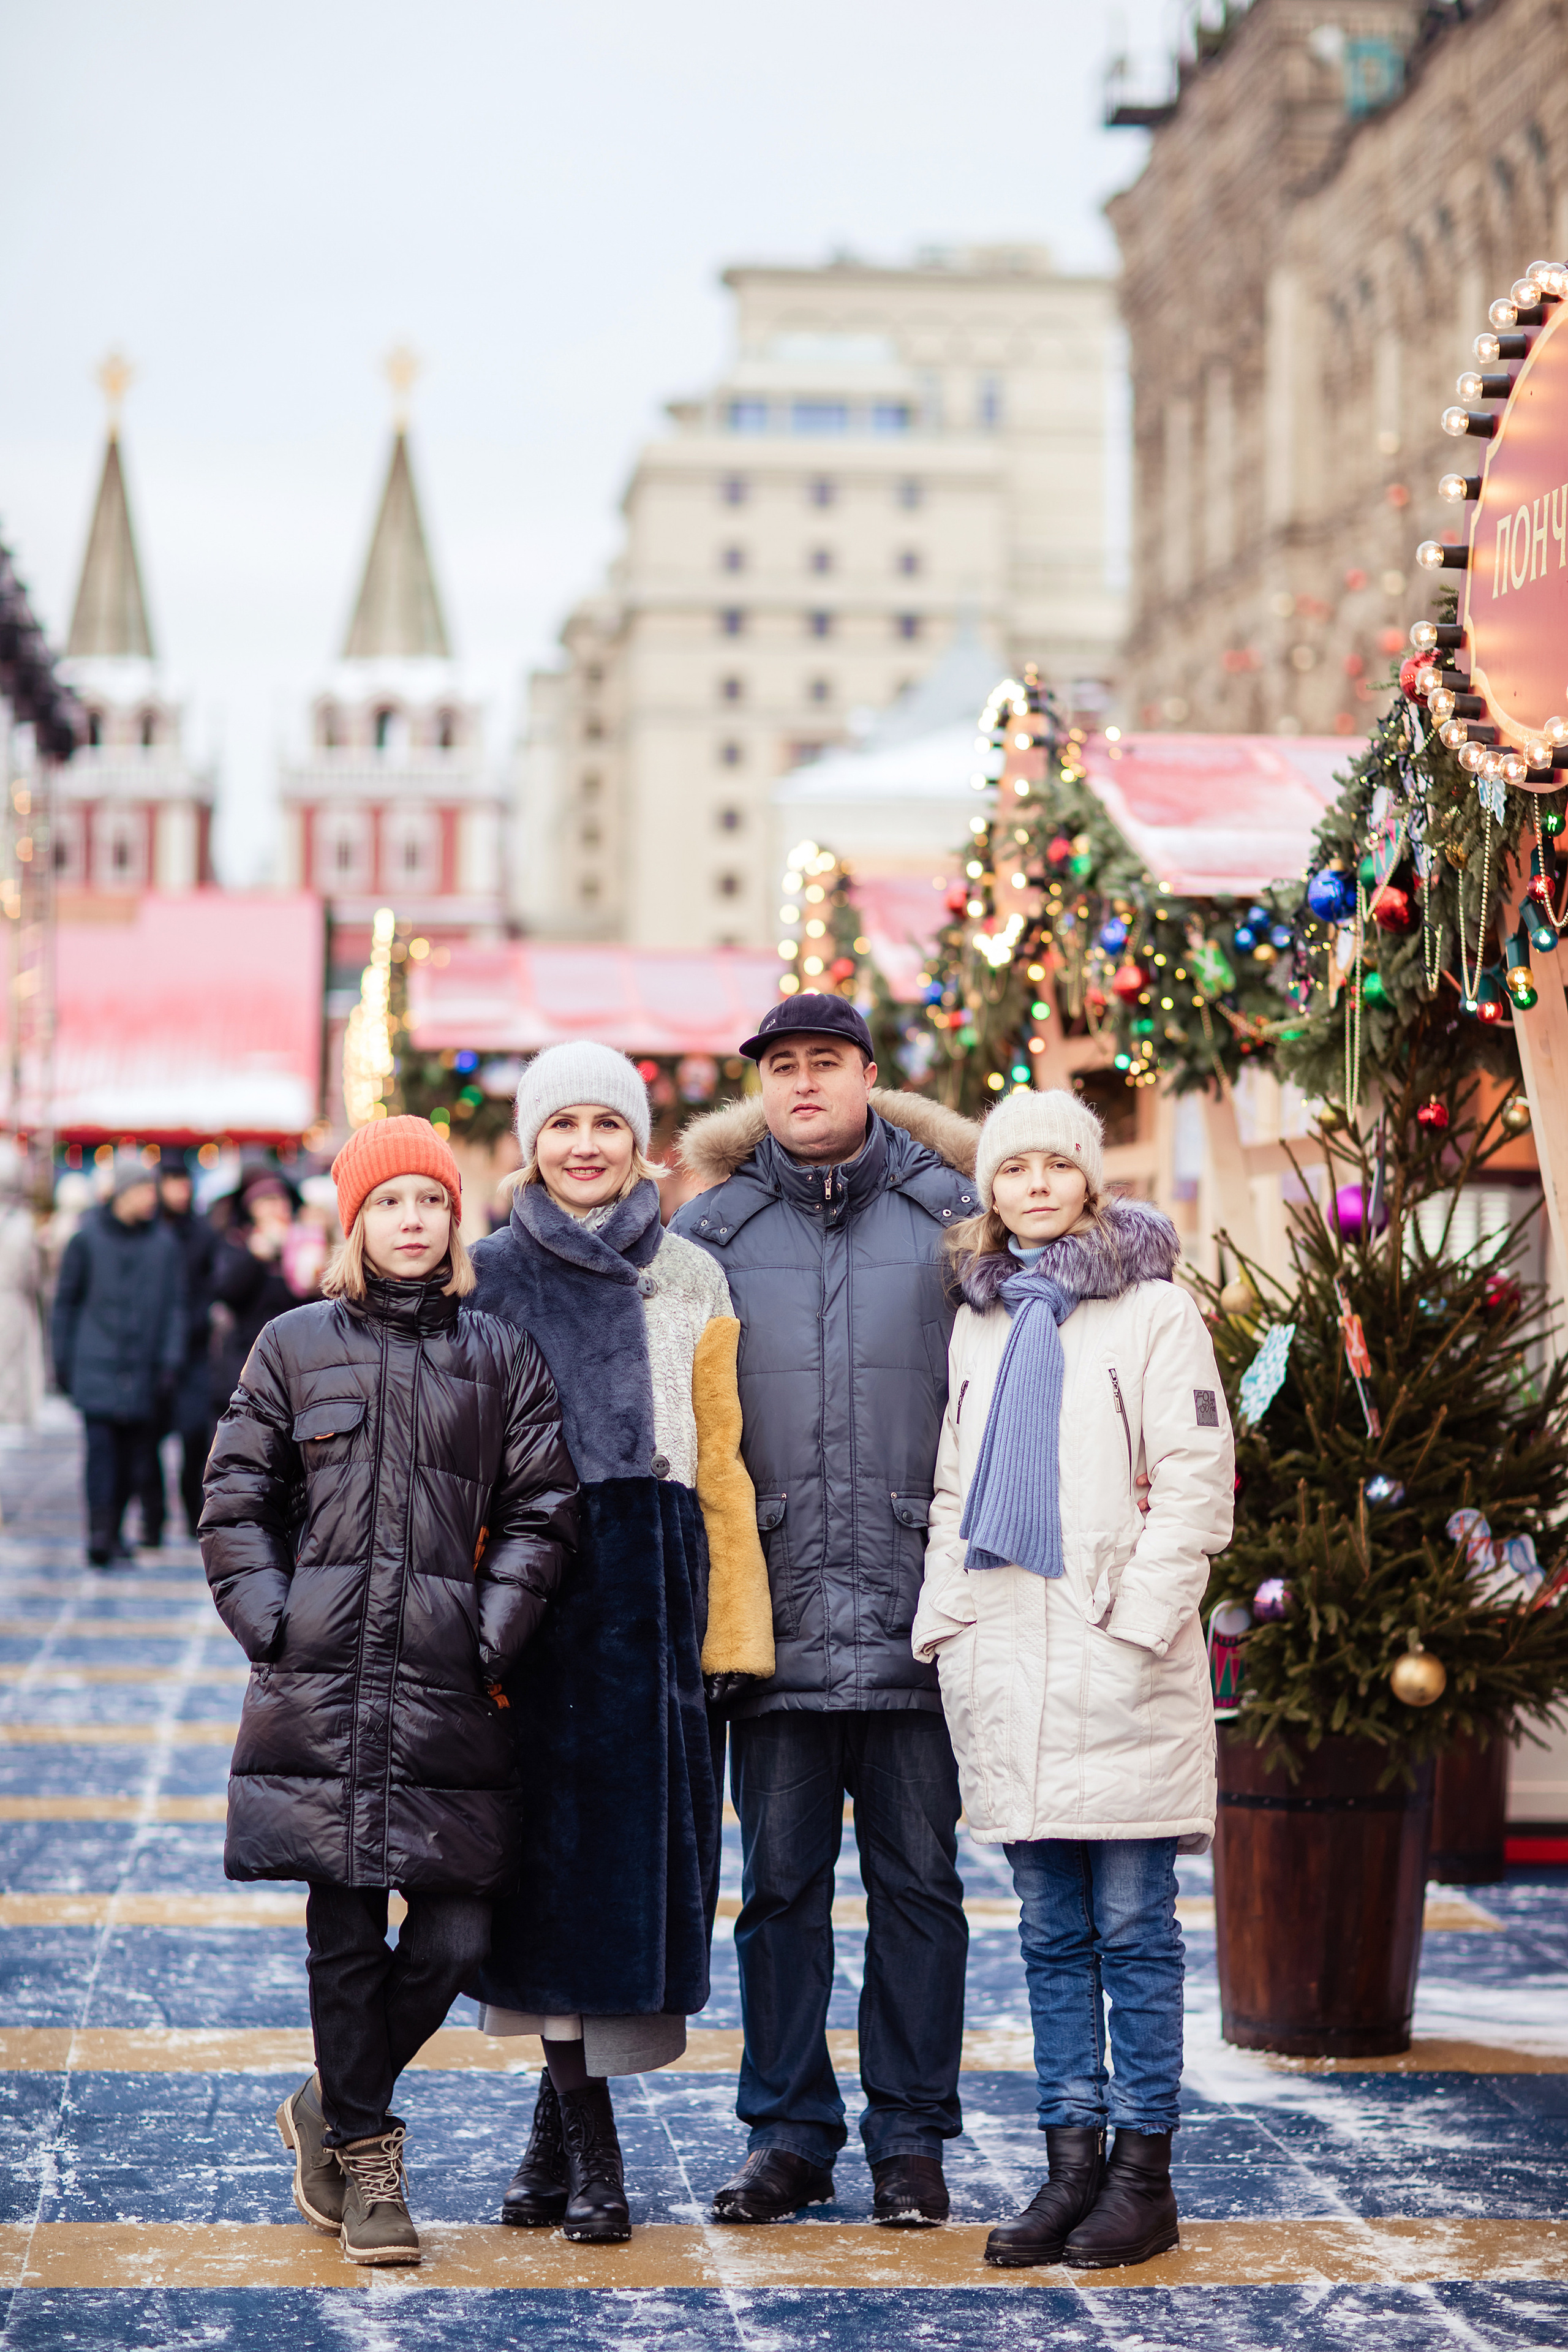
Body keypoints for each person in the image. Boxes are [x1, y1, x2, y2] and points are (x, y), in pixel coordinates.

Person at [200, 1115, 578, 2269]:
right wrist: (275, 1623)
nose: (412, 1222)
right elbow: (234, 1501)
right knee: (346, 1931)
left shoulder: (499, 1354)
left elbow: (542, 1509)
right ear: (353, 1221)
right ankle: (367, 2156)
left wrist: (489, 1633)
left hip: (448, 1688)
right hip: (323, 1689)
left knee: (457, 1932)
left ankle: (326, 2099)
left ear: (455, 1222)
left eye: (431, 1202)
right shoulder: (292, 1344)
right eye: (389, 1203)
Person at [911, 1090, 1234, 2272]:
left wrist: (1139, 1621)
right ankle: (1071, 2167)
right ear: (990, 1190)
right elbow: (955, 1484)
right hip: (1007, 1654)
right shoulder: (981, 1319)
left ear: (1089, 1180)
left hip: (1118, 1657)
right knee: (1050, 1934)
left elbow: (1196, 1485)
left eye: (1057, 1165)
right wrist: (947, 1612)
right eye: (1014, 1169)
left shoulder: (1153, 1310)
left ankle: (1143, 2177)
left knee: (1135, 1928)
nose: (1036, 1185)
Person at [671, 993, 980, 2228]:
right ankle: (787, 2134)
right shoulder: (710, 1231)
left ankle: (911, 2138)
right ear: (760, 1087)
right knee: (779, 1894)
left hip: (919, 1610)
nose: (802, 1084)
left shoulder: (957, 1218)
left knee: (922, 1891)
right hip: (774, 1616)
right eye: (781, 1067)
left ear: (866, 1075)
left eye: (825, 1063)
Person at [467, 1042, 774, 2245]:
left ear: (639, 1140)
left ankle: (552, 2142)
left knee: (635, 1886)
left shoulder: (690, 1271)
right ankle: (593, 2150)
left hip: (658, 1597)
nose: (585, 1145)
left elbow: (722, 1459)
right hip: (538, 1601)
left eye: (606, 1123)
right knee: (551, 1886)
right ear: (531, 1145)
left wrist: (732, 1627)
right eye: (562, 1125)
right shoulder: (488, 1274)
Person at [52, 1154, 186, 1565]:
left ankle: (114, 1533)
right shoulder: (86, 1239)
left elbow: (175, 1307)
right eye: (143, 1189)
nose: (151, 1197)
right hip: (96, 1365)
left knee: (134, 1460)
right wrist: (63, 1362)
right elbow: (65, 1304)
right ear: (122, 1193)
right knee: (100, 1456)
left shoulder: (164, 1244)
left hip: (144, 1369)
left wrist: (170, 1361)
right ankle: (100, 1533)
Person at [155, 1148, 219, 1536]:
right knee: (148, 1437)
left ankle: (193, 1508)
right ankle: (153, 1517)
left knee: (195, 1433)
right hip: (154, 1347)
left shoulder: (202, 1233)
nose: (179, 1190)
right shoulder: (149, 1231)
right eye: (171, 1183)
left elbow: (214, 1282)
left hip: (194, 1346)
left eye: (183, 1182)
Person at [208, 1169, 301, 1417]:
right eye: (266, 1202)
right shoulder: (237, 1242)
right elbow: (226, 1291)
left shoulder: (305, 1241)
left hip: (296, 1360)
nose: (275, 1208)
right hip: (249, 1359)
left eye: (280, 1200)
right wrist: (255, 1257)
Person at [0, 1142, 42, 1430]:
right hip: (13, 1303)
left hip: (12, 1299)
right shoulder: (22, 1223)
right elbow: (33, 1272)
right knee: (12, 1366)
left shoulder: (21, 1222)